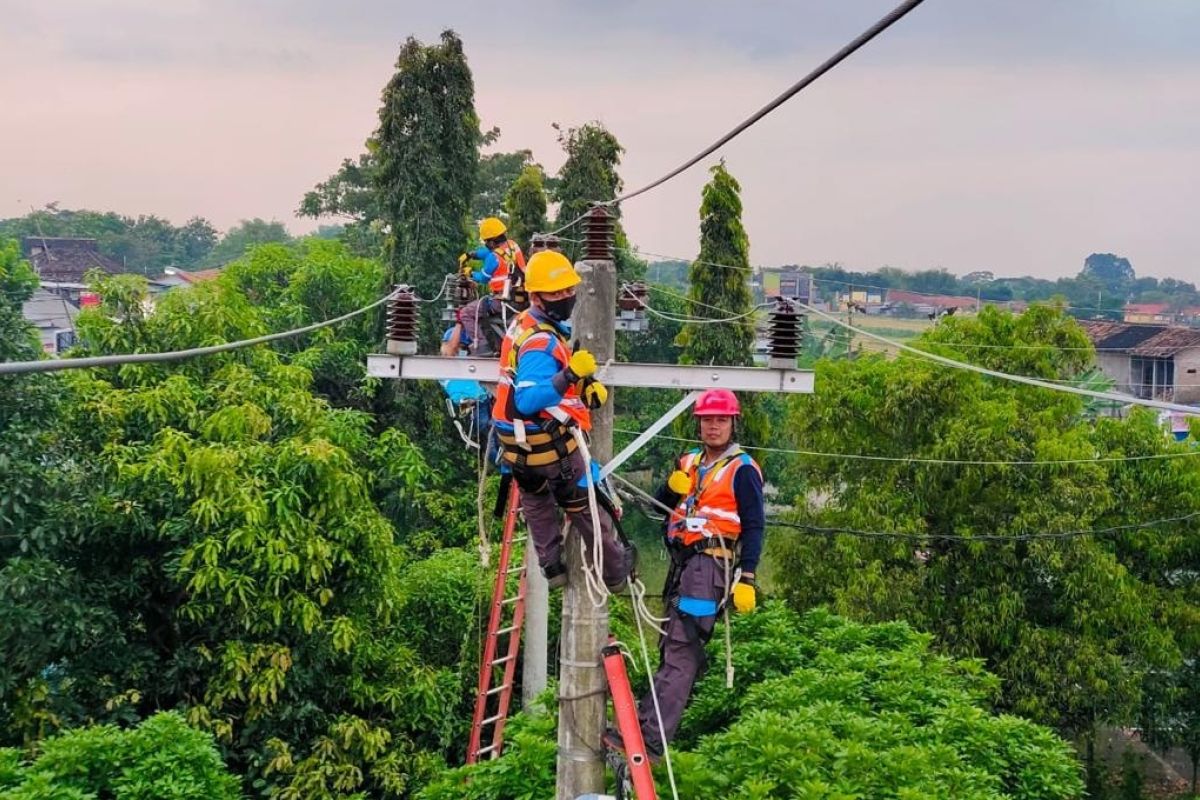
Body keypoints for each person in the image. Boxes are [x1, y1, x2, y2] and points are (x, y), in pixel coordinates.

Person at [606, 388, 764, 760]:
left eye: (721, 420)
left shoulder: (742, 470)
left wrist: (749, 576)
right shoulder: (689, 462)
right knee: (671, 646)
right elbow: (660, 510)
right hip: (684, 565)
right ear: (699, 424)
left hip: (710, 566)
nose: (713, 426)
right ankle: (649, 728)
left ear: (732, 423)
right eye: (708, 419)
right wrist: (670, 490)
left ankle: (650, 738)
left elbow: (754, 525)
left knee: (681, 650)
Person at [491, 250, 631, 590]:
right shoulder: (540, 340)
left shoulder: (524, 325)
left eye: (568, 290)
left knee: (537, 502)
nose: (565, 297)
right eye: (556, 293)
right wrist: (570, 374)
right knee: (587, 509)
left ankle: (552, 567)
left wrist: (581, 384)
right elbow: (528, 399)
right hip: (550, 446)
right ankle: (615, 574)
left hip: (517, 447)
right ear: (537, 296)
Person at [457, 218, 527, 354]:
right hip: (520, 298)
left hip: (501, 301)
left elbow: (483, 278)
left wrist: (470, 272)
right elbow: (489, 253)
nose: (486, 245)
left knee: (465, 313)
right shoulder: (513, 246)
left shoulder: (493, 258)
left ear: (491, 242)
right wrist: (471, 255)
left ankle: (483, 346)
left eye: (486, 242)